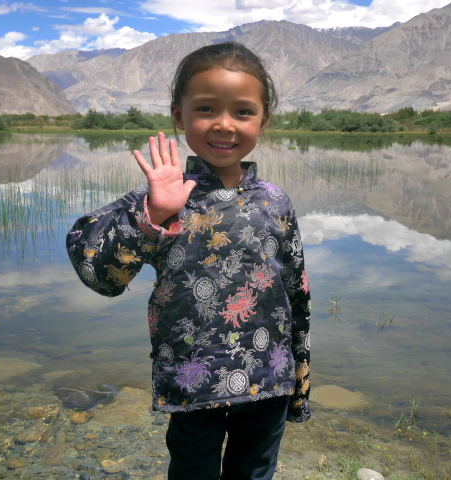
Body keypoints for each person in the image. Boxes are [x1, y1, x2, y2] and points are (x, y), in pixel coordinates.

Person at [66, 41, 311, 480]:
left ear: (263, 120)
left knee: (255, 471)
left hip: (269, 377)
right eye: (205, 109)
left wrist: (299, 381)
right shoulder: (164, 199)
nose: (224, 124)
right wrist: (152, 216)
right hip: (194, 379)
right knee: (192, 470)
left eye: (242, 111)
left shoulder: (276, 201)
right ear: (179, 116)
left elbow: (297, 295)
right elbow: (98, 275)